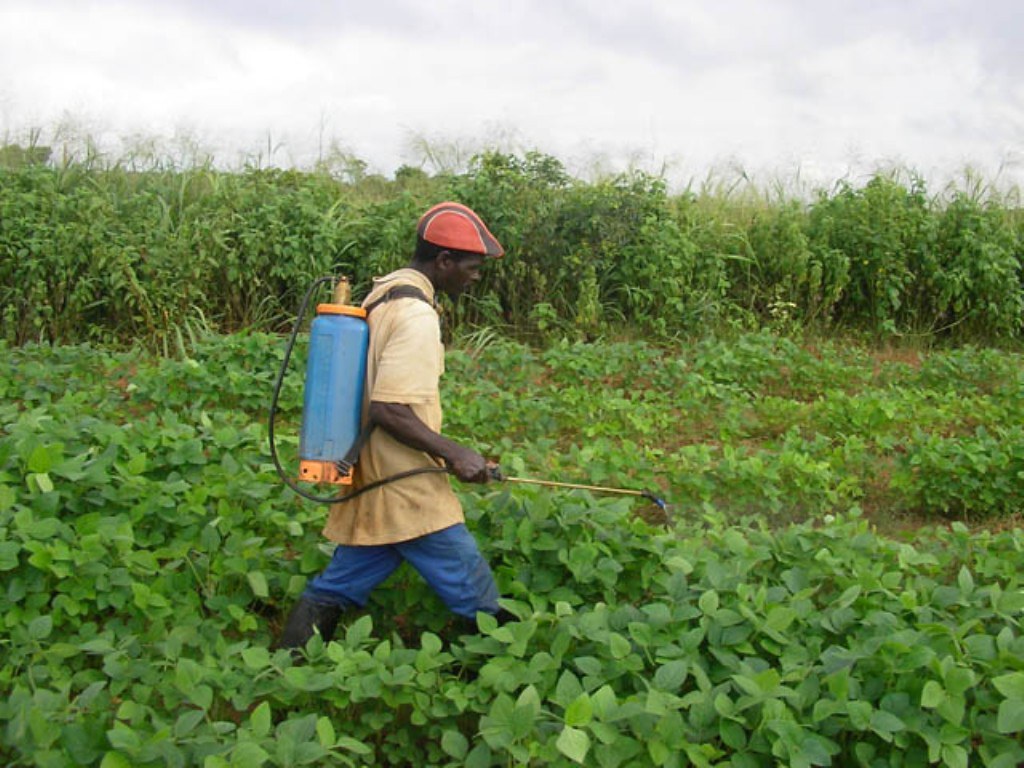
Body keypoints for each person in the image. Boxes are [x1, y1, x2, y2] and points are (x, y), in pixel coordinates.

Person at [276, 201, 506, 649]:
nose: (475, 277)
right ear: (443, 261)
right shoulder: (416, 315)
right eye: (472, 268)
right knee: (475, 592)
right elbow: (390, 408)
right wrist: (455, 452)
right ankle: (504, 668)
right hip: (405, 478)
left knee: (339, 584)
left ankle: (284, 665)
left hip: (374, 471)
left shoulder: (383, 293)